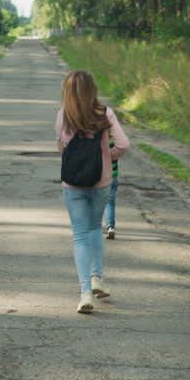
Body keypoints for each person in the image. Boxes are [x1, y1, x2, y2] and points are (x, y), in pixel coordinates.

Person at [56, 70, 129, 313]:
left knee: (80, 235)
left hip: (73, 184)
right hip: (101, 182)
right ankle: (97, 276)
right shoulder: (105, 113)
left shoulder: (63, 115)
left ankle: (85, 292)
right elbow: (123, 145)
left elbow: (62, 147)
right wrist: (106, 158)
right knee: (94, 227)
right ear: (92, 90)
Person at [103, 139, 119, 239]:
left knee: (94, 202)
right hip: (113, 176)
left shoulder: (97, 139)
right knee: (110, 203)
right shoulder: (113, 142)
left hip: (100, 178)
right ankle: (110, 227)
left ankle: (92, 227)